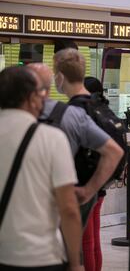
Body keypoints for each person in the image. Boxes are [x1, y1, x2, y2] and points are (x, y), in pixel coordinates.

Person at [0, 66, 83, 271]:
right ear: (31, 98)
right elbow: (69, 208)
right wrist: (75, 263)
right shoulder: (51, 139)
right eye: (41, 94)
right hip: (41, 256)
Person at [51, 49, 124, 226]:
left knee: (80, 245)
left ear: (60, 77)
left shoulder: (74, 111)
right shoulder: (99, 105)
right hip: (96, 186)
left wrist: (87, 191)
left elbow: (114, 152)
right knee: (91, 242)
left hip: (78, 189)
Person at [82, 76, 107, 271]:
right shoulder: (105, 113)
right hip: (100, 186)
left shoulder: (88, 115)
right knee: (94, 238)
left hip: (86, 186)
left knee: (86, 241)